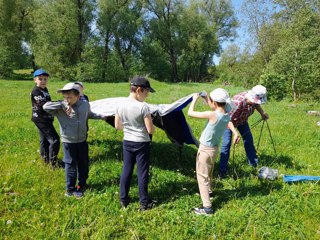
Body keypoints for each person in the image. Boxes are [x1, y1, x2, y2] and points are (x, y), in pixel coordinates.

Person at [43, 83, 106, 198]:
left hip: (82, 140)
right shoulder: (60, 108)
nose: (67, 100)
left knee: (84, 164)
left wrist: (103, 116)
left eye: (70, 97)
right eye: (65, 97)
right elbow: (45, 107)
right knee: (70, 165)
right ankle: (70, 189)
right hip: (68, 142)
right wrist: (62, 104)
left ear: (78, 96)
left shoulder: (85, 105)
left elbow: (89, 114)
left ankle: (82, 185)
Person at [188, 88, 240, 216]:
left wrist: (194, 100)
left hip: (205, 150)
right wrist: (235, 132)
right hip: (215, 149)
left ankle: (207, 208)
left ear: (215, 103)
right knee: (209, 172)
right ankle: (209, 192)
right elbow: (229, 121)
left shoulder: (212, 115)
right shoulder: (226, 114)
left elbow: (190, 113)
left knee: (202, 177)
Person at [114, 76, 156, 211]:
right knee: (142, 172)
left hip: (127, 141)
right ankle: (144, 203)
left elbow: (117, 126)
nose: (147, 95)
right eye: (146, 92)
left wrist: (129, 127)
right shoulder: (143, 107)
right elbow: (150, 130)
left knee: (127, 169)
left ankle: (123, 199)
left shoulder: (120, 104)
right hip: (142, 143)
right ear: (139, 90)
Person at [219, 85, 269, 178]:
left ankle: (253, 164)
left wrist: (262, 113)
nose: (254, 103)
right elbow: (227, 118)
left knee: (248, 140)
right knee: (226, 144)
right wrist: (235, 133)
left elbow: (256, 104)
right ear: (250, 97)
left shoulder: (254, 99)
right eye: (253, 101)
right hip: (228, 123)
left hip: (242, 121)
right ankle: (222, 171)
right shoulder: (237, 102)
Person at [31, 68, 60, 167]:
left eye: (45, 79)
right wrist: (60, 104)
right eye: (40, 79)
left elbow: (49, 102)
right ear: (35, 80)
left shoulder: (44, 90)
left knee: (44, 139)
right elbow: (44, 105)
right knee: (54, 140)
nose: (43, 81)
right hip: (41, 119)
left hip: (44, 118)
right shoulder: (36, 91)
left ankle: (45, 159)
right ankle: (53, 164)